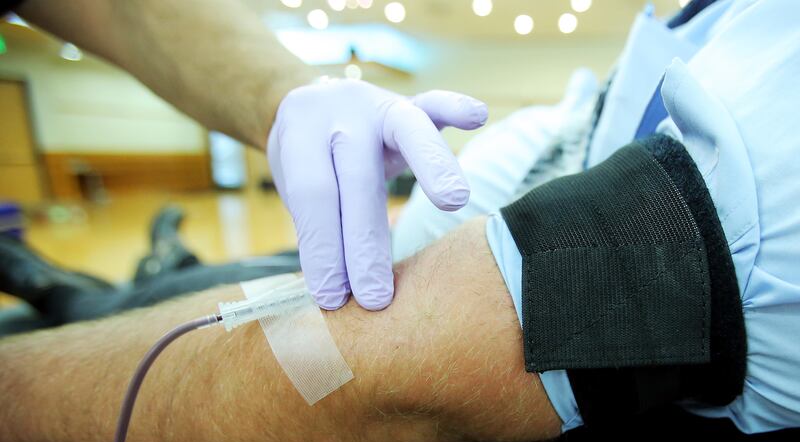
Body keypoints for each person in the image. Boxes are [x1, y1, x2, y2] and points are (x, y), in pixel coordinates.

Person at [1, 0, 798, 442]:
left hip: (431, 287)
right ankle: (104, 278)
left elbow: (383, 365)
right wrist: (285, 98)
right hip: (424, 257)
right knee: (185, 290)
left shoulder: (771, 112)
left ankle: (77, 282)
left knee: (165, 303)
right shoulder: (711, 29)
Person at [3, 0, 490, 311]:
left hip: (397, 247)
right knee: (200, 295)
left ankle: (137, 267)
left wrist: (279, 99)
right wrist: (286, 101)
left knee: (203, 289)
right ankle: (130, 270)